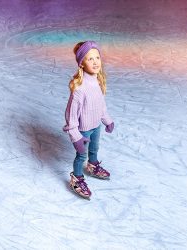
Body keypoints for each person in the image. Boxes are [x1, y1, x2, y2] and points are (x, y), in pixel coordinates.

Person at [63, 41, 115, 199]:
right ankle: (77, 178)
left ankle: (93, 165)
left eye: (97, 57)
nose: (95, 62)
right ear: (82, 63)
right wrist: (76, 136)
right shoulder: (79, 88)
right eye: (90, 59)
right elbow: (70, 116)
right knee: (80, 156)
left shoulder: (98, 82)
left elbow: (101, 105)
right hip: (83, 130)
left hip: (96, 125)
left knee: (94, 149)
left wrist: (107, 120)